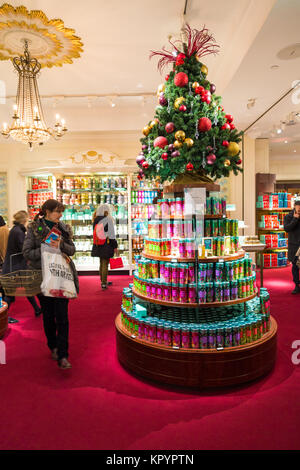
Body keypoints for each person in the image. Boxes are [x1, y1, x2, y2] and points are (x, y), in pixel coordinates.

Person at [23, 199, 79, 369]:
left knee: (62, 317)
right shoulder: (33, 228)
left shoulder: (63, 228)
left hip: (62, 277)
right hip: (43, 279)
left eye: (61, 212)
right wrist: (44, 248)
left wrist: (61, 244)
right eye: (57, 211)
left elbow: (72, 250)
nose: (60, 215)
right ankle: (53, 346)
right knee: (48, 316)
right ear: (47, 211)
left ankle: (63, 355)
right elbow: (27, 253)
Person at [2, 210, 42, 317]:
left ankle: (37, 309)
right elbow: (24, 249)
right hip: (16, 266)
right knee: (11, 293)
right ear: (24, 220)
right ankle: (4, 316)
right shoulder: (19, 232)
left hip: (14, 265)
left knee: (28, 288)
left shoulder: (15, 230)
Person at [91, 203, 118, 290]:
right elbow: (111, 235)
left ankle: (103, 280)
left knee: (101, 262)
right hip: (106, 244)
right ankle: (103, 283)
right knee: (105, 263)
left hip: (98, 244)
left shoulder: (95, 219)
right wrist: (115, 246)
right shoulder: (108, 219)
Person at [284, 200, 300, 294]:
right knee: (295, 266)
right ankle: (296, 285)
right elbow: (287, 229)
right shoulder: (288, 217)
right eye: (298, 209)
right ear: (294, 207)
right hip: (294, 245)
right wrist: (295, 219)